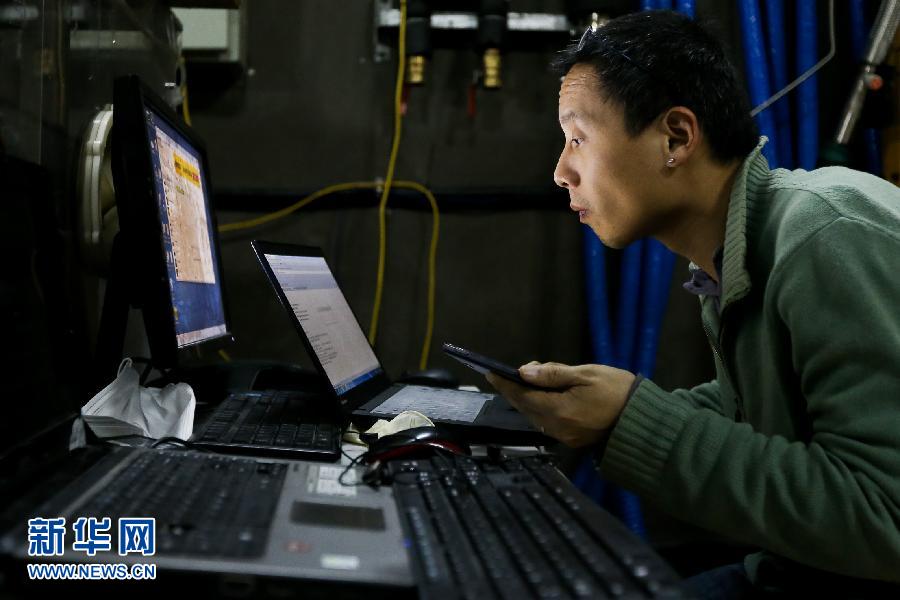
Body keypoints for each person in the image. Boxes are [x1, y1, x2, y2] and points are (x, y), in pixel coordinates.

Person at [485, 10, 900, 598]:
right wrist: (601, 411)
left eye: (578, 138)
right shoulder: (740, 254)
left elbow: (886, 519)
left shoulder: (824, 234)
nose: (560, 172)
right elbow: (764, 410)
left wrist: (629, 419)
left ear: (675, 137)